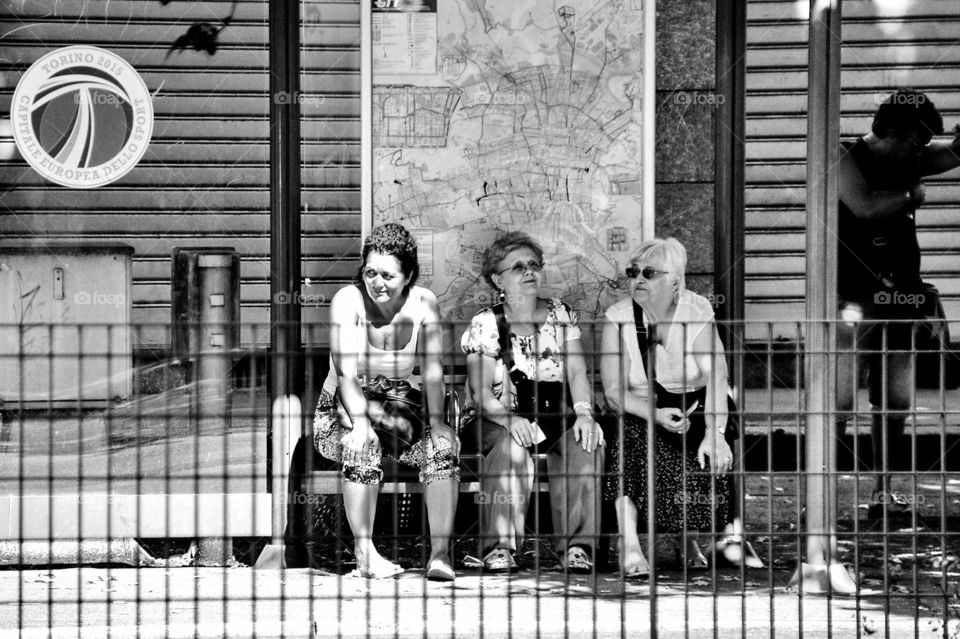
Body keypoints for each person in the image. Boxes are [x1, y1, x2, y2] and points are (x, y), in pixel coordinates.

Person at [837, 88, 960, 519]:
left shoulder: (908, 155)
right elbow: (865, 206)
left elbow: (950, 156)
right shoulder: (843, 157)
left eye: (925, 144)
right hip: (851, 297)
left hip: (902, 297)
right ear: (889, 131)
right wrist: (911, 196)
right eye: (916, 141)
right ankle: (818, 501)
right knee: (837, 400)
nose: (921, 152)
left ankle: (881, 494)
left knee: (894, 402)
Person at [313, 223, 460, 580]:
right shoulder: (347, 301)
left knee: (440, 449)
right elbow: (346, 374)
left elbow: (434, 370)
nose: (377, 282)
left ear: (408, 275)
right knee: (363, 444)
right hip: (343, 408)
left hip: (398, 408)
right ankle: (365, 554)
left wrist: (439, 423)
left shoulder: (425, 303)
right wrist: (361, 424)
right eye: (370, 272)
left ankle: (440, 554)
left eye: (388, 275)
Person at [460, 231, 605, 573]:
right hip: (496, 419)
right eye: (518, 267)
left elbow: (578, 375)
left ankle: (578, 548)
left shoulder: (560, 314)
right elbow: (480, 394)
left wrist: (584, 414)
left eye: (534, 265)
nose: (529, 272)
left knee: (586, 445)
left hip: (553, 414)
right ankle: (499, 547)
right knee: (511, 447)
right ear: (498, 279)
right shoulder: (486, 323)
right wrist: (510, 421)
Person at [600, 238, 736, 577]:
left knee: (710, 437)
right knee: (627, 440)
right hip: (639, 404)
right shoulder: (618, 317)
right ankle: (630, 544)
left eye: (649, 273)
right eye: (633, 273)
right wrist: (655, 415)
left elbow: (717, 374)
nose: (638, 280)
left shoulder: (697, 309)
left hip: (694, 400)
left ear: (676, 280)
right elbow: (614, 391)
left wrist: (715, 432)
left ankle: (691, 536)